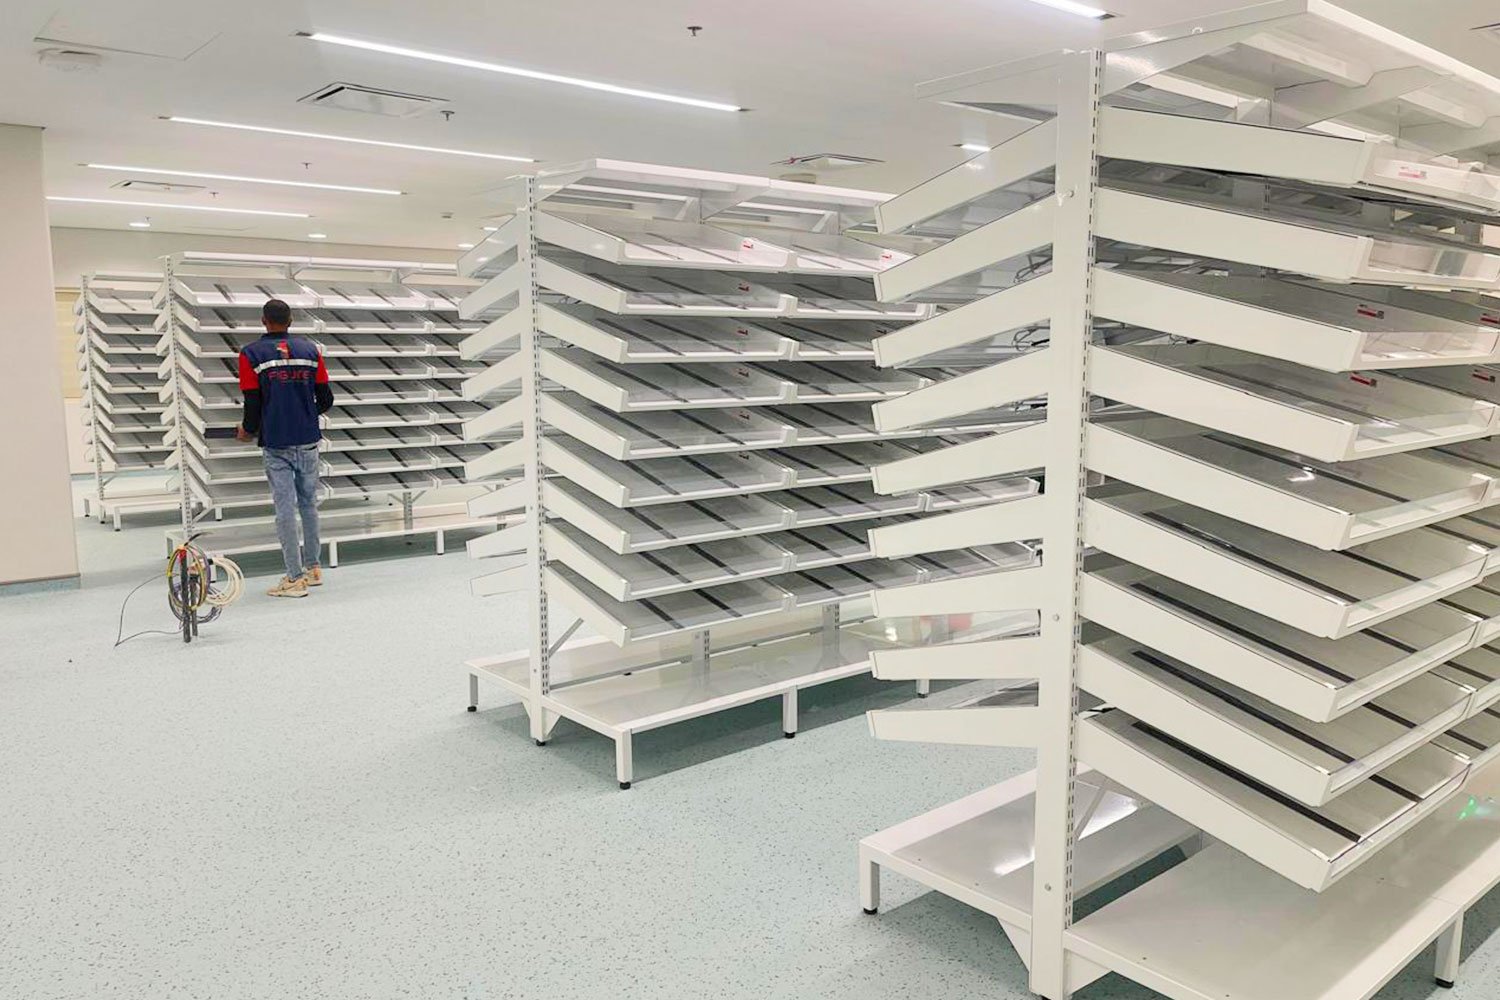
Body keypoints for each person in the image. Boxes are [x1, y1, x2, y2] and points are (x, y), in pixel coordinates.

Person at [237, 299, 335, 598]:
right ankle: (313, 568)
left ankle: (294, 578)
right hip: (308, 439)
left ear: (263, 321)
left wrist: (248, 430)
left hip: (276, 442)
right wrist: (304, 414)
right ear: (290, 320)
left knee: (284, 509)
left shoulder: (250, 354)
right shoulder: (311, 351)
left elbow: (253, 401)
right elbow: (326, 399)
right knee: (308, 504)